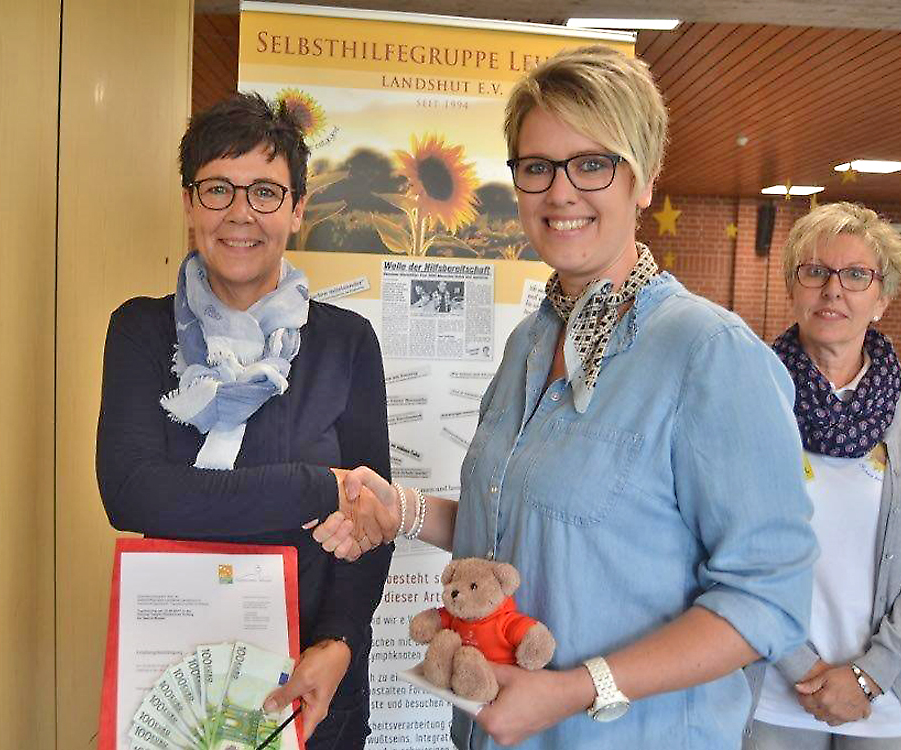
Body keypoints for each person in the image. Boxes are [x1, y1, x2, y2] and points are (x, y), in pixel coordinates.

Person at [313, 45, 817, 750]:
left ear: (643, 180)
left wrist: (581, 688)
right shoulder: (530, 341)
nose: (560, 192)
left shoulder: (710, 354)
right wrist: (404, 510)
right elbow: (521, 527)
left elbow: (769, 599)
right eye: (537, 167)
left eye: (592, 164)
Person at [96, 93, 392, 749]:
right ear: (189, 203)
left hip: (311, 681)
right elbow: (133, 492)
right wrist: (317, 488)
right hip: (173, 677)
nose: (240, 213)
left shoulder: (345, 343)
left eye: (264, 192)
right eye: (217, 189)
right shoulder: (141, 331)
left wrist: (341, 642)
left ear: (297, 209)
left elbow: (370, 519)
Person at [747, 203, 901, 749]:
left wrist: (871, 674)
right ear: (792, 286)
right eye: (815, 271)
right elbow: (723, 548)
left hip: (892, 696)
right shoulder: (749, 396)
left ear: (882, 299)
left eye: (855, 275)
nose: (833, 290)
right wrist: (800, 665)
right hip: (771, 692)